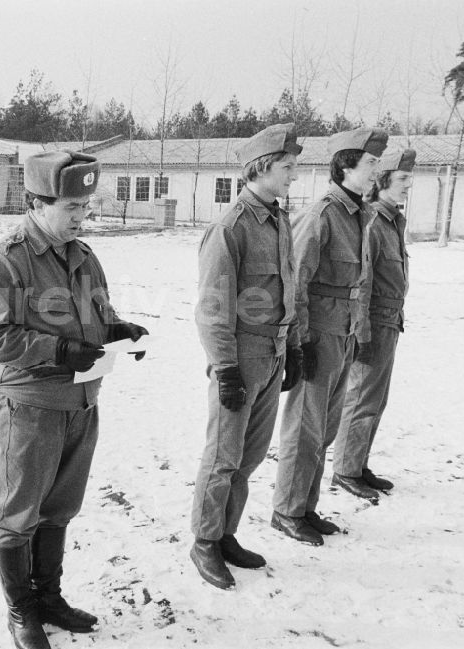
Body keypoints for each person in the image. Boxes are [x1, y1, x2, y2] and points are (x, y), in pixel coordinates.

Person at [0, 150, 148, 649]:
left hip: (81, 402)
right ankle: (20, 610)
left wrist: (120, 330)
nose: (80, 217)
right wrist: (60, 350)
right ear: (36, 202)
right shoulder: (7, 260)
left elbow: (99, 311)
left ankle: (48, 596)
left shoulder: (84, 257)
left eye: (84, 206)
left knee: (60, 508)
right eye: (70, 206)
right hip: (29, 406)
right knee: (18, 511)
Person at [191, 124, 302, 589]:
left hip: (272, 354)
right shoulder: (230, 228)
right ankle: (203, 541)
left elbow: (289, 289)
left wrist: (292, 346)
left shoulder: (278, 220)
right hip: (240, 359)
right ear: (261, 167)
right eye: (288, 167)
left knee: (251, 457)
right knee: (223, 457)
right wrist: (227, 368)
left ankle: (226, 534)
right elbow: (212, 309)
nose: (294, 175)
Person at [272, 127, 387, 546]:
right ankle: (286, 510)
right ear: (345, 166)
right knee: (304, 426)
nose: (378, 171)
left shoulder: (358, 214)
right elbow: (296, 283)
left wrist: (358, 328)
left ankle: (305, 505)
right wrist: (300, 342)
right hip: (317, 334)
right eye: (371, 163)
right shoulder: (323, 214)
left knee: (326, 427)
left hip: (344, 332)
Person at [331, 149, 416, 496]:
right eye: (403, 179)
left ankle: (359, 463)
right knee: (362, 398)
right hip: (372, 323)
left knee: (376, 400)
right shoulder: (373, 223)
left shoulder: (392, 220)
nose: (409, 186)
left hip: (389, 321)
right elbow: (362, 281)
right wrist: (361, 331)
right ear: (382, 182)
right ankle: (346, 471)